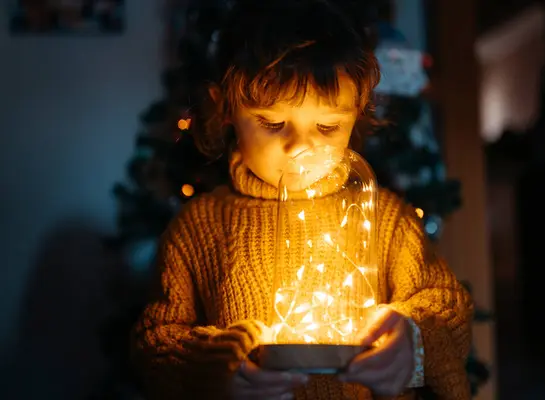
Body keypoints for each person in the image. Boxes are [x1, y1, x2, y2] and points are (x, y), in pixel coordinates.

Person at [131, 1, 473, 399]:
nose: (299, 147)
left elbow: (449, 308)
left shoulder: (388, 221)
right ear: (226, 109)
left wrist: (413, 343)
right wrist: (214, 366)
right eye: (273, 123)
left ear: (357, 114)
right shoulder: (198, 228)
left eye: (327, 126)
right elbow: (155, 341)